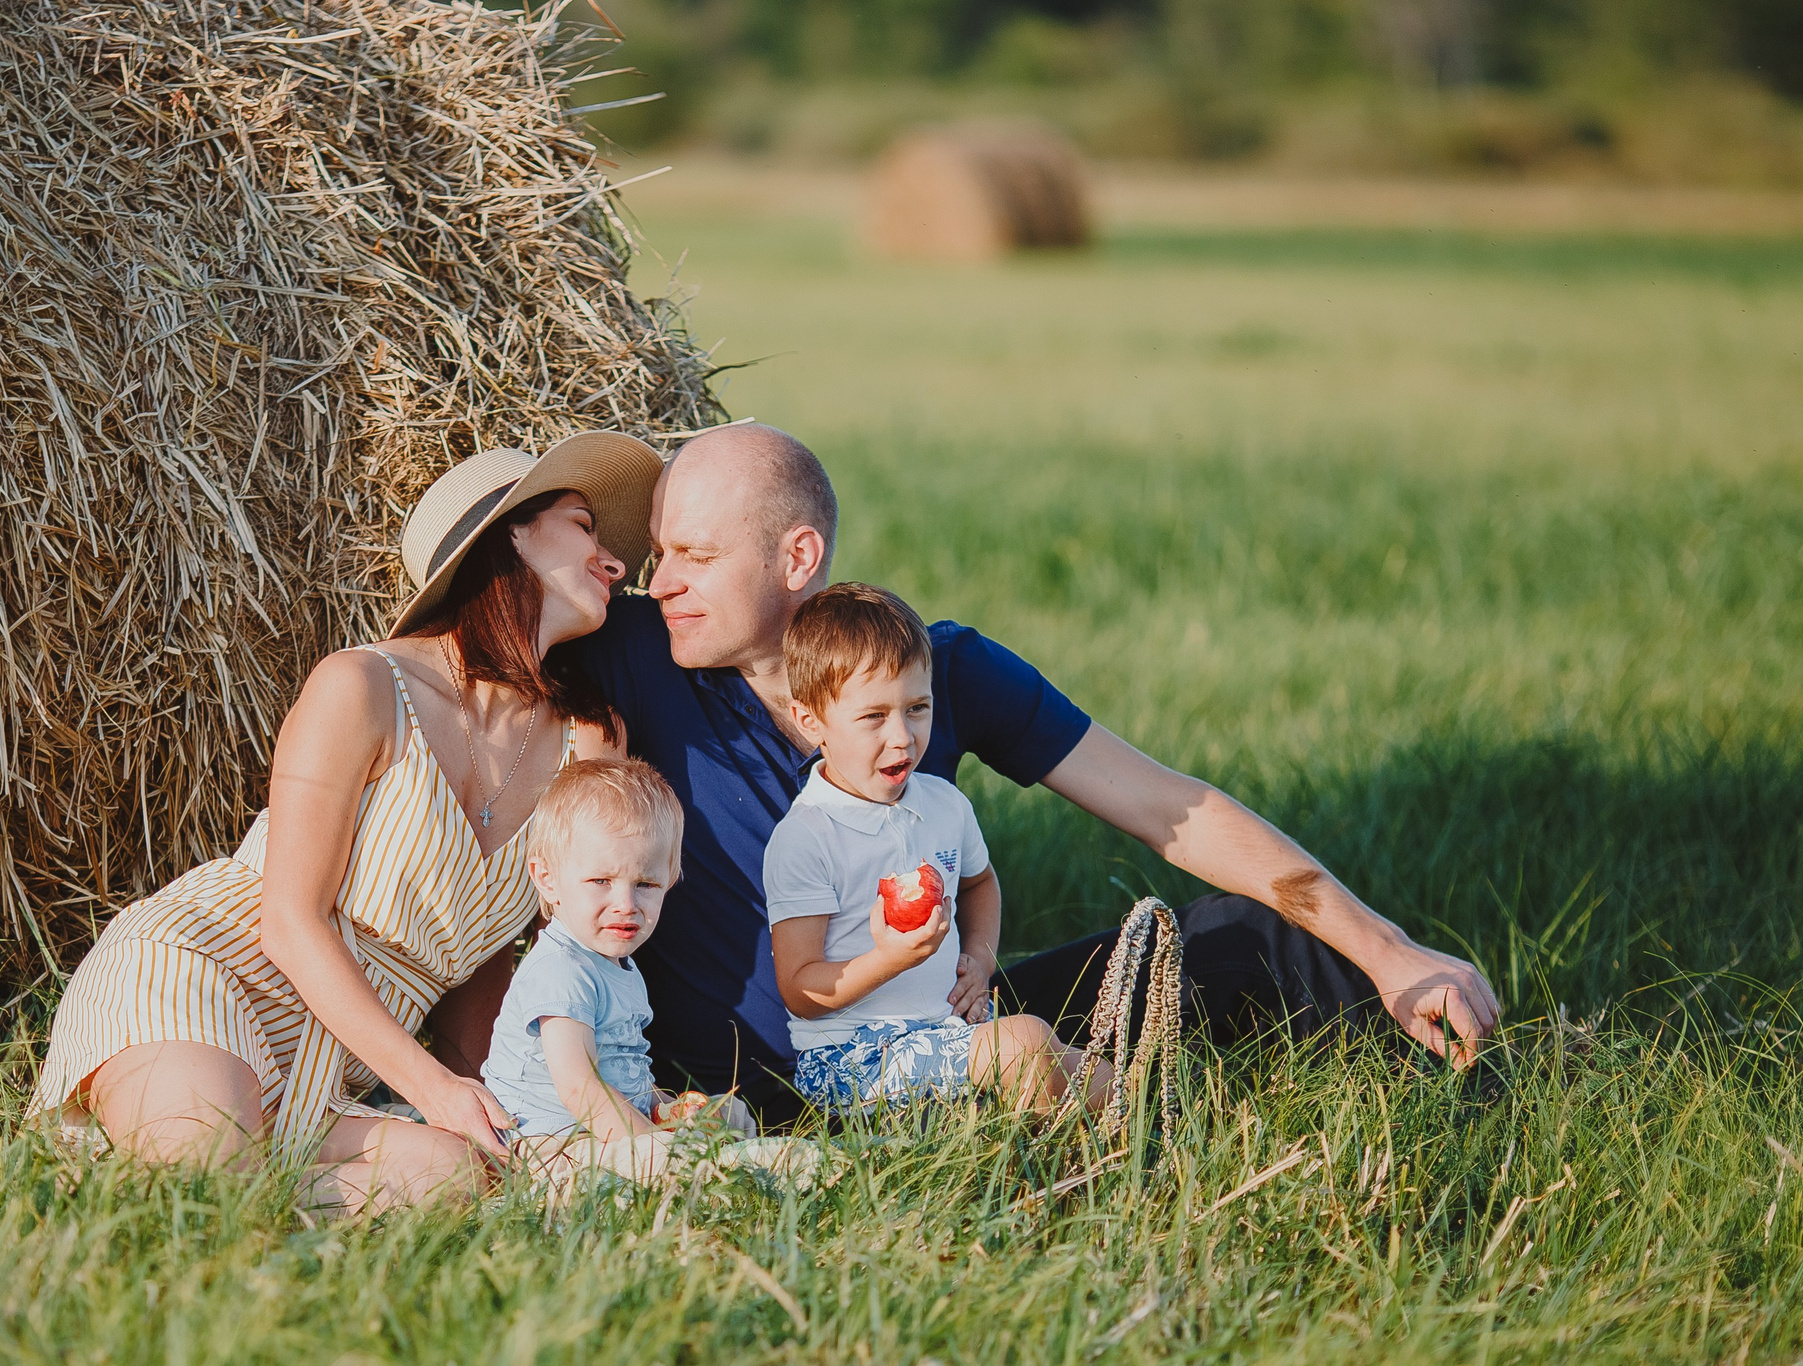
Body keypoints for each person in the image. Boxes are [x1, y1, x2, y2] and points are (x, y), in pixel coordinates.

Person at [559, 422, 1501, 1120]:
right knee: (1014, 1053)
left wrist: (1387, 951)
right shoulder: (632, 655)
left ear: (796, 556)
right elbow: (473, 634)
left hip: (940, 1039)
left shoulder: (939, 669)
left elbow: (1168, 806)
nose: (660, 580)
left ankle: (1475, 1086)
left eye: (695, 555)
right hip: (758, 1090)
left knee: (1270, 938)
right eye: (659, 553)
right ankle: (1167, 1139)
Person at [27, 430, 668, 1213]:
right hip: (207, 973)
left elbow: (492, 965)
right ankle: (171, 1151)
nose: (615, 562)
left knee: (466, 1179)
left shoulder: (590, 741)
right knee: (208, 1183)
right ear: (506, 535)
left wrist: (519, 1105)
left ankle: (145, 1168)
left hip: (343, 1067)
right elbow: (289, 921)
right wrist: (433, 1086)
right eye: (583, 526)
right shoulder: (362, 685)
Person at [765, 584, 1089, 1113]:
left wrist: (980, 962)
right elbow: (800, 989)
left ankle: (1148, 1127)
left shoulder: (944, 804)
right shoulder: (807, 836)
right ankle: (1036, 1151)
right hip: (852, 1060)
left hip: (944, 1031)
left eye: (917, 708)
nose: (903, 737)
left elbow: (980, 883)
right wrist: (888, 960)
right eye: (873, 717)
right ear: (810, 722)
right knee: (1029, 1042)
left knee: (1080, 1063)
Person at [481, 757, 754, 1181]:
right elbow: (580, 1086)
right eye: (601, 881)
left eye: (645, 884)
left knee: (727, 1118)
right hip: (542, 1144)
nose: (626, 904)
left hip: (600, 1131)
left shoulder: (617, 965)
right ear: (548, 879)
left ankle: (712, 1163)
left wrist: (669, 1107)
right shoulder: (561, 970)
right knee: (661, 1166)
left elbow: (625, 1071)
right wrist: (651, 1144)